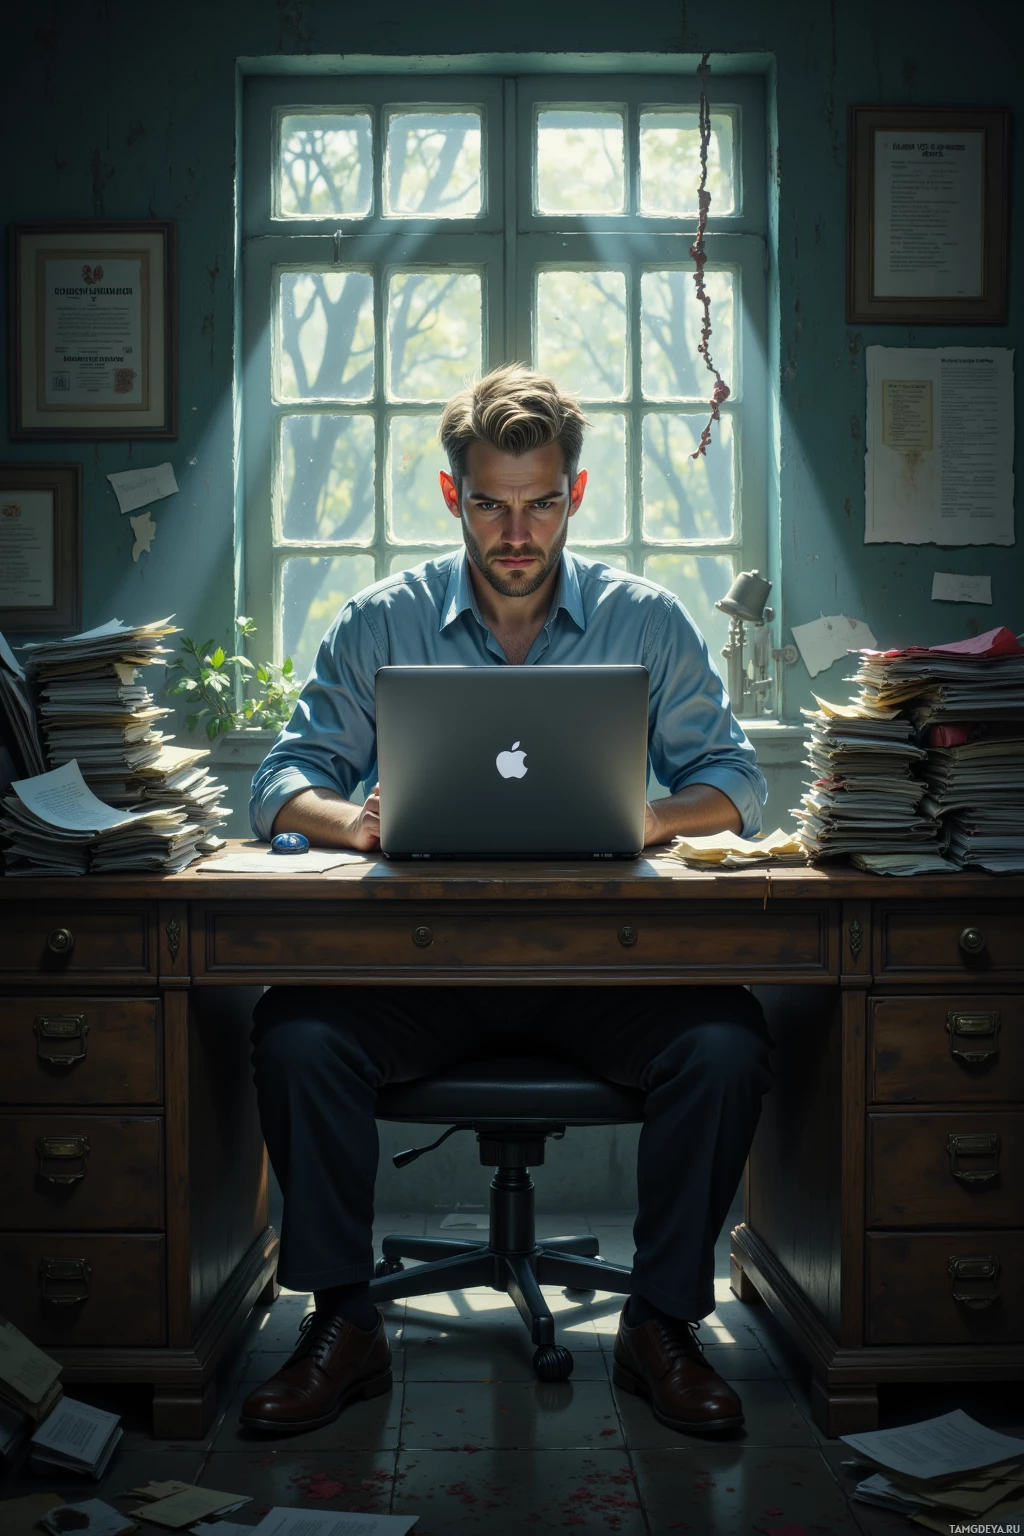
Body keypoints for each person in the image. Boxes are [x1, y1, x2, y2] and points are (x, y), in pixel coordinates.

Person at [242, 365, 773, 1438]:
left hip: (599, 973)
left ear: (574, 494)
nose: (516, 531)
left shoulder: (648, 623)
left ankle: (660, 1322)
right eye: (491, 502)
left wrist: (652, 818)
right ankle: (345, 1322)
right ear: (453, 498)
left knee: (726, 1040)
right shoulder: (379, 623)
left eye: (540, 502)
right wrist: (354, 820)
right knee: (295, 1033)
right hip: (422, 974)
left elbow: (740, 784)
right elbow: (276, 782)